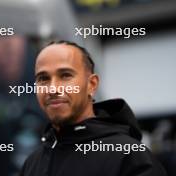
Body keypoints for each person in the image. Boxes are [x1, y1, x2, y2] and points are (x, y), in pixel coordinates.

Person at [19, 40, 167, 176]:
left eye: (65, 75)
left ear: (92, 84)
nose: (53, 89)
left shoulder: (130, 156)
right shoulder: (32, 164)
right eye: (43, 79)